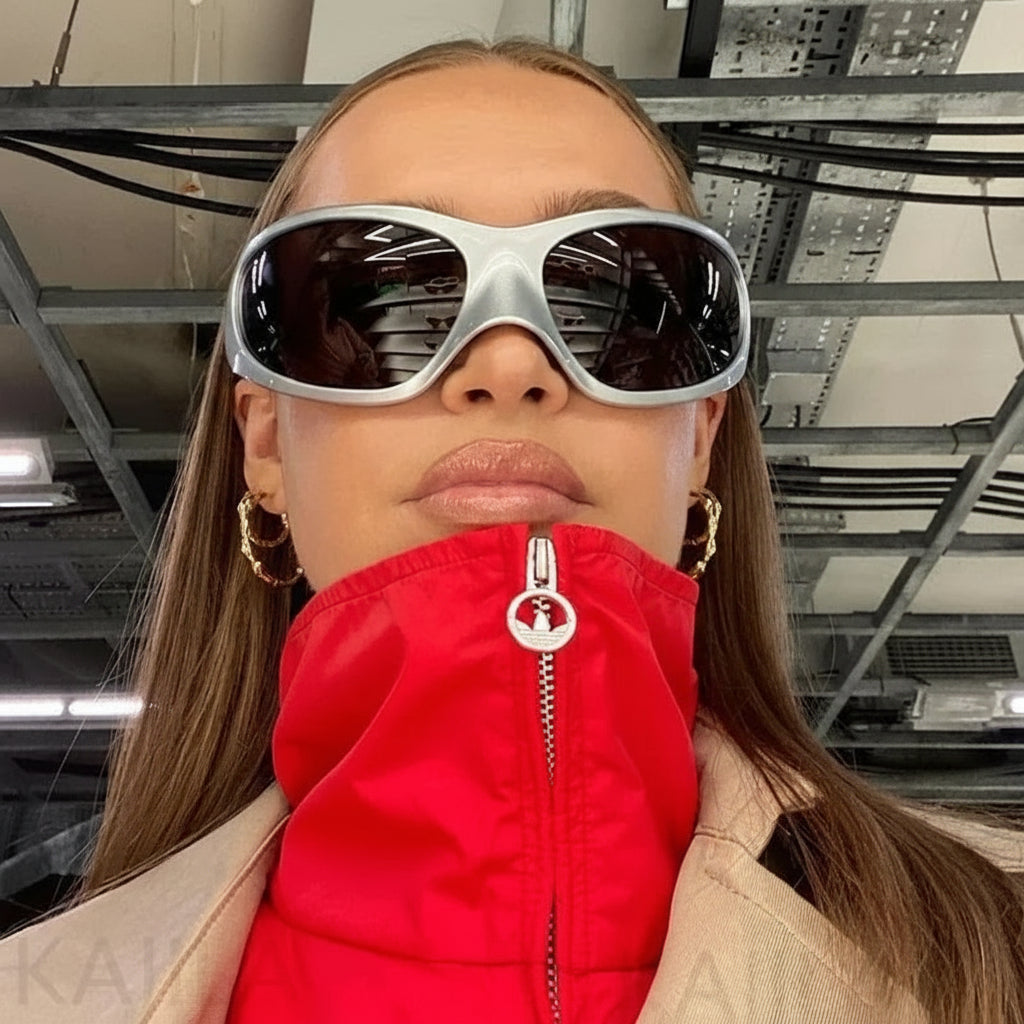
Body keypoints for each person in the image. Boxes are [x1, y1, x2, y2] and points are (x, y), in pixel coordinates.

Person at [2, 36, 1023, 1024]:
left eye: (606, 299)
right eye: (382, 296)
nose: (507, 363)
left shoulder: (998, 946)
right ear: (265, 445)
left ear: (700, 438)